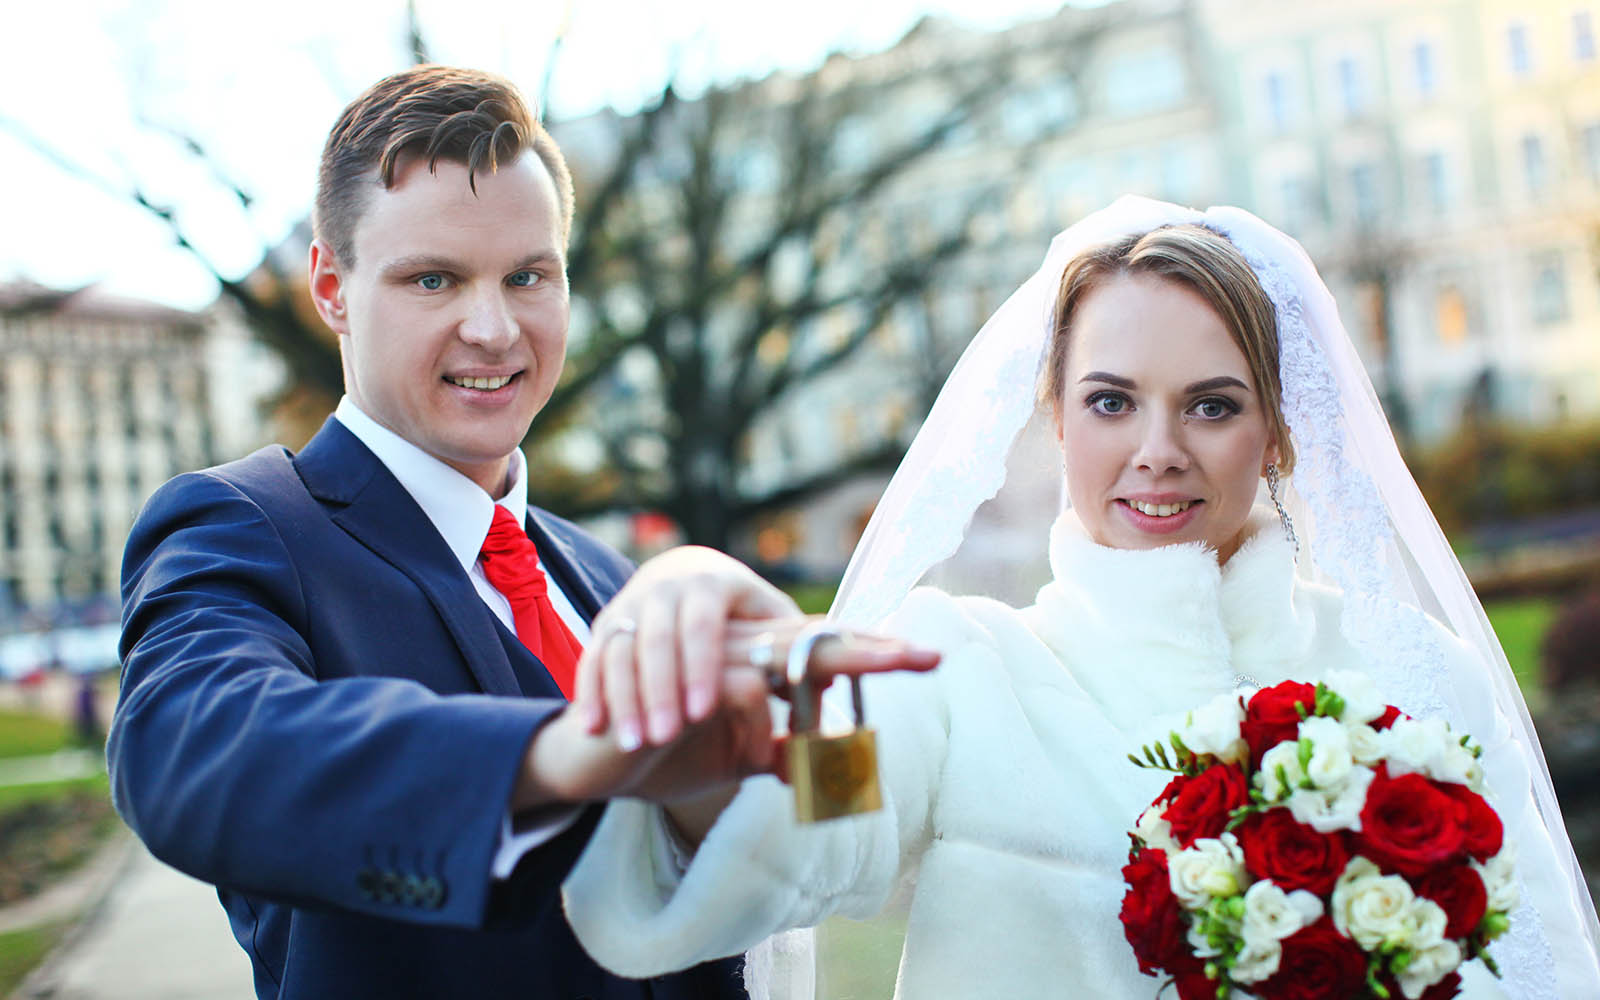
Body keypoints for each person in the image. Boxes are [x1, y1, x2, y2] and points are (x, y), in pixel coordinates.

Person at [556, 198, 1600, 998]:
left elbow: (1541, 968)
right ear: (1056, 417)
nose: (1158, 450)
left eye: (1212, 406)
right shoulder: (952, 670)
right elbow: (828, 822)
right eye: (1111, 401)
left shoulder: (1417, 679)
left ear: (1279, 432)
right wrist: (730, 762)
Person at [109, 65, 935, 1000]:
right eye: (433, 279)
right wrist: (560, 754)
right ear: (332, 288)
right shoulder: (247, 524)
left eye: (528, 276)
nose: (495, 329)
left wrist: (813, 744)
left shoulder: (609, 577)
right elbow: (190, 750)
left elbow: (819, 856)